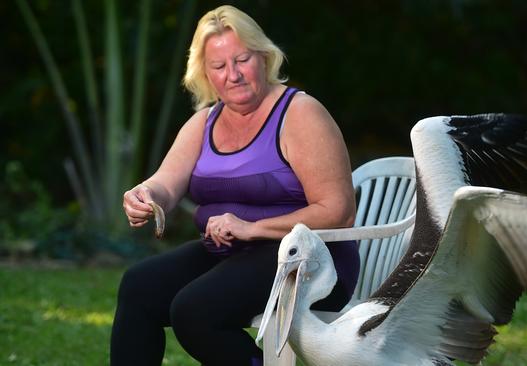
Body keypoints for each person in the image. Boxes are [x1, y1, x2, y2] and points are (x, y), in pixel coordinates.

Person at [110, 5, 360, 366]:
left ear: (263, 57)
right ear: (205, 74)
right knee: (139, 287)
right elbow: (165, 183)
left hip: (308, 262)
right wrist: (146, 196)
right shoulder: (204, 122)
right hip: (233, 255)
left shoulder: (301, 114)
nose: (233, 75)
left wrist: (252, 228)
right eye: (219, 66)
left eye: (242, 60)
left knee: (194, 310)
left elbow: (338, 210)